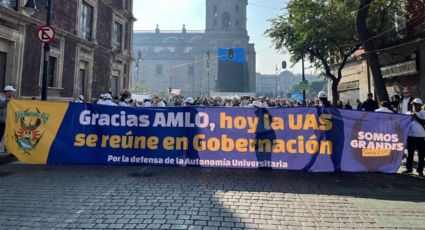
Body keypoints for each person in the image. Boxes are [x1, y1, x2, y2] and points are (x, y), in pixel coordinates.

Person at [403, 98, 425, 177]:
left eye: (416, 104)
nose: (414, 106)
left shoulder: (424, 113)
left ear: (420, 105)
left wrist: (416, 117)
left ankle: (420, 171)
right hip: (410, 136)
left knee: (421, 155)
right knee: (410, 154)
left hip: (421, 137)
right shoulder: (408, 113)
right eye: (413, 104)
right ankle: (409, 169)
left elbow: (424, 122)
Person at [0, 86, 16, 152]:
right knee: (0, 134)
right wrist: (6, 101)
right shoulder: (1, 97)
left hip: (9, 121)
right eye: (11, 91)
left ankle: (7, 148)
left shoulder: (12, 99)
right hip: (1, 120)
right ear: (7, 92)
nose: (12, 93)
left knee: (8, 135)